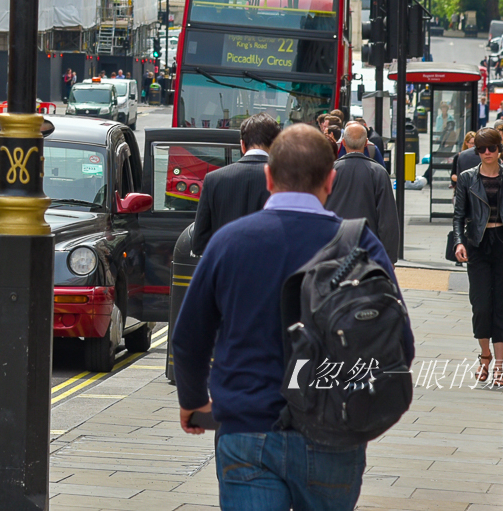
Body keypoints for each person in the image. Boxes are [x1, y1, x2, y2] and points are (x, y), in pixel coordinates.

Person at [173, 124, 413, 509]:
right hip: (333, 431)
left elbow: (188, 337)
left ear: (269, 176)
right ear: (330, 179)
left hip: (247, 428)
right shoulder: (360, 243)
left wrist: (193, 400)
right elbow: (399, 341)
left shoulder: (229, 241)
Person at [453, 127, 503, 386]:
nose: (486, 153)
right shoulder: (466, 178)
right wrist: (459, 243)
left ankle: (498, 365)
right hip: (478, 246)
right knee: (481, 304)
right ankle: (484, 354)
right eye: (481, 149)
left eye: (491, 148)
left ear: (499, 150)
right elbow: (458, 216)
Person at [190, 113, 279, 253]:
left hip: (225, 269)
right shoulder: (284, 180)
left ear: (242, 145)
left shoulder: (213, 179)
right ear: (275, 145)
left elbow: (199, 243)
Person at [325, 122, 398, 254]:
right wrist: (389, 255)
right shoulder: (379, 172)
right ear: (365, 143)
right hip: (368, 247)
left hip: (335, 245)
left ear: (344, 143)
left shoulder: (330, 172)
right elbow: (387, 219)